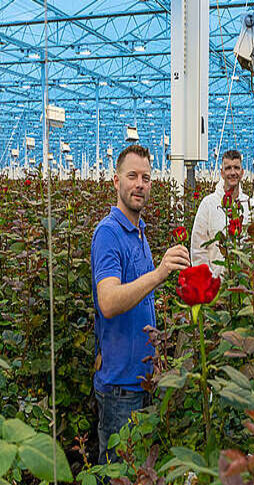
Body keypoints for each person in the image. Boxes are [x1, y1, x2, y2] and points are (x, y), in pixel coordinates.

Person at [90, 144, 190, 465]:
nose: (140, 184)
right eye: (132, 176)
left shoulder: (139, 232)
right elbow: (108, 301)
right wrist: (160, 273)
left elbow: (139, 296)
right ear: (115, 181)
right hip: (120, 388)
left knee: (138, 477)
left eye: (146, 177)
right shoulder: (109, 234)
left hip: (143, 381)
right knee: (119, 477)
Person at [191, 149, 251, 276]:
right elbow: (198, 249)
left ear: (242, 172)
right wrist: (210, 280)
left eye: (236, 167)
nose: (233, 172)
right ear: (222, 173)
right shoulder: (208, 204)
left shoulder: (249, 204)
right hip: (217, 285)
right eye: (228, 168)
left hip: (243, 285)